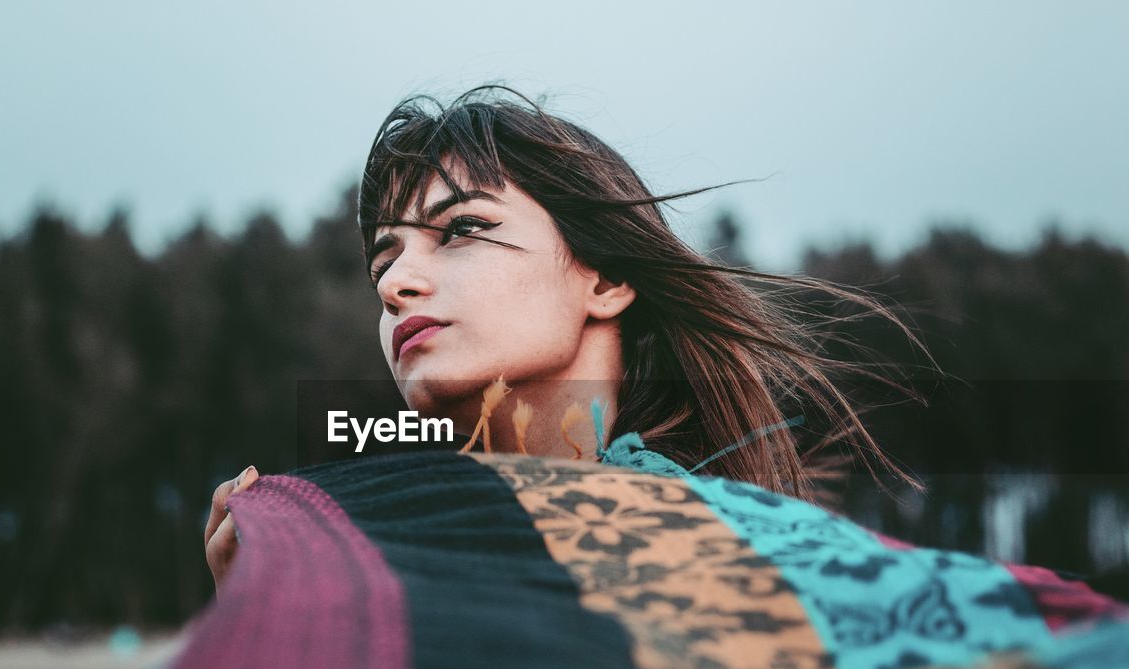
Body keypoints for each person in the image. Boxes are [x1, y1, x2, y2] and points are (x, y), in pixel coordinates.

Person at [204, 85, 928, 587]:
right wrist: (267, 623)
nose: (394, 285)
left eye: (462, 230)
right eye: (383, 260)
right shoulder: (384, 552)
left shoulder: (740, 549)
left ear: (606, 280)